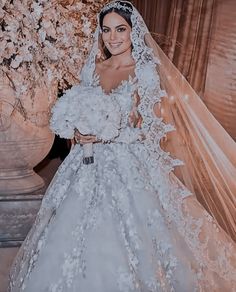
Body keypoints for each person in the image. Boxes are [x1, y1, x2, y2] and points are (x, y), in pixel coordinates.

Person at [9, 1, 236, 291]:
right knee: (68, 229)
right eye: (106, 30)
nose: (113, 37)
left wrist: (109, 135)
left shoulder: (144, 72)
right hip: (83, 164)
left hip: (125, 163)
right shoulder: (92, 68)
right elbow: (77, 114)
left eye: (120, 29)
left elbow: (151, 132)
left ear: (133, 32)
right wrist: (78, 133)